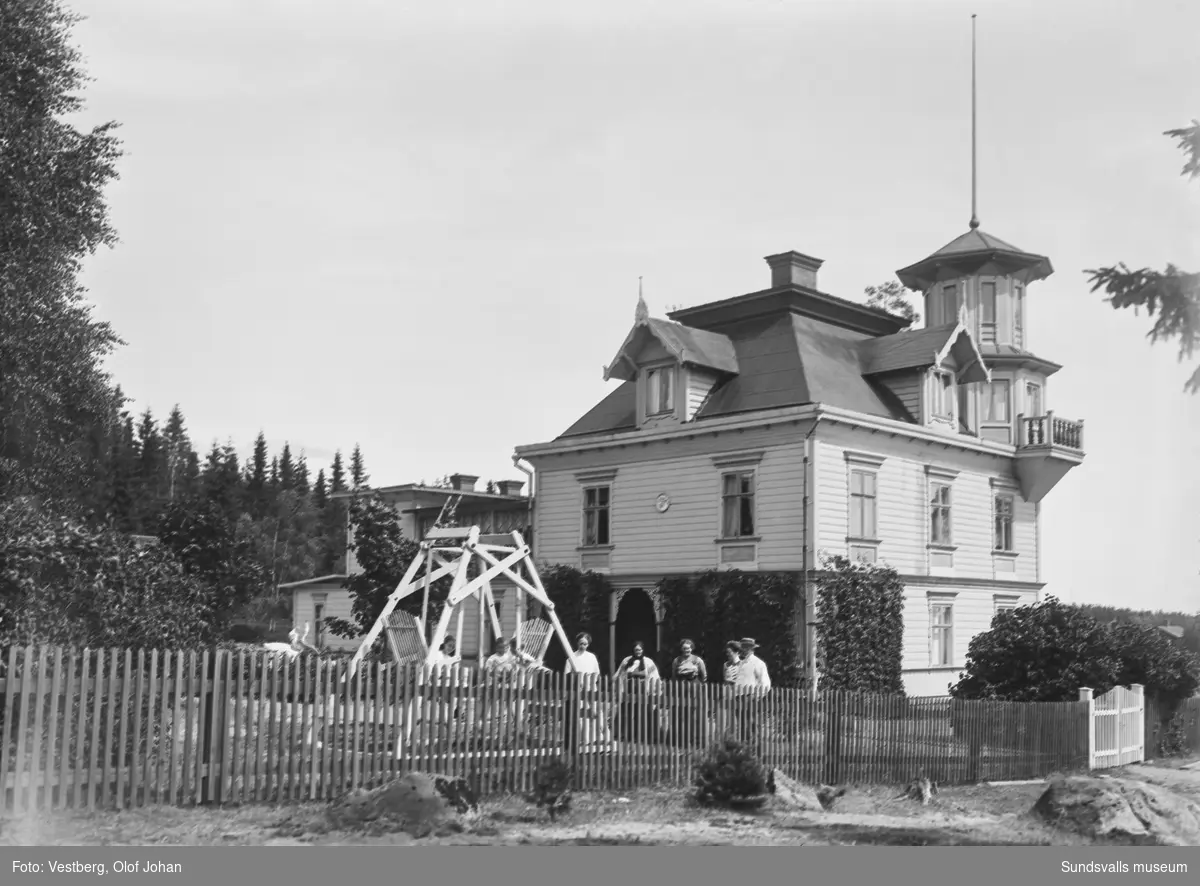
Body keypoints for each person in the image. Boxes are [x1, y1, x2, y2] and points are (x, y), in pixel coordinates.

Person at [614, 641, 662, 743]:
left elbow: (655, 676)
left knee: (643, 714)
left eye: (640, 650)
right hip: (629, 692)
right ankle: (627, 735)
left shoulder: (648, 662)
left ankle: (643, 736)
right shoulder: (626, 661)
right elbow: (620, 674)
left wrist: (655, 691)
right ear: (633, 650)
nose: (638, 652)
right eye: (636, 650)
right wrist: (619, 689)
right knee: (628, 714)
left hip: (644, 692)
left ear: (643, 650)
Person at [566, 632, 607, 746]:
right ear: (577, 643)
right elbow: (567, 674)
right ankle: (586, 739)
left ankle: (601, 737)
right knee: (582, 715)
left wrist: (592, 684)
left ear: (588, 644)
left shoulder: (591, 657)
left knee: (595, 713)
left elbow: (596, 673)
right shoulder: (571, 658)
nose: (582, 646)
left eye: (585, 643)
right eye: (580, 643)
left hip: (591, 688)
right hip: (578, 690)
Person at [733, 637, 771, 746]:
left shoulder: (758, 663)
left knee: (753, 725)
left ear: (751, 649)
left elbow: (765, 683)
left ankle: (756, 751)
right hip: (739, 697)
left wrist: (756, 696)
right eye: (742, 647)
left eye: (746, 648)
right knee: (742, 726)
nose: (743, 650)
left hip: (751, 697)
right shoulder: (740, 663)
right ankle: (744, 750)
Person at [670, 639, 708, 745]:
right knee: (682, 714)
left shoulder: (697, 660)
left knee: (696, 714)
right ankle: (683, 739)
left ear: (692, 648)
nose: (687, 650)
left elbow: (704, 675)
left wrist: (699, 684)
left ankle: (697, 739)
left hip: (695, 687)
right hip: (681, 688)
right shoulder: (677, 660)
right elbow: (673, 675)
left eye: (689, 648)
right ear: (681, 649)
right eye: (684, 648)